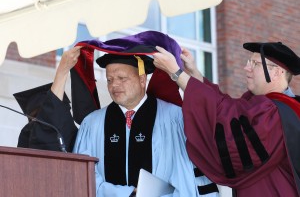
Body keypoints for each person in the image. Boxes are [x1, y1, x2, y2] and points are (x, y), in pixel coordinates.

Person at [152, 42, 300, 197]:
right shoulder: (262, 105)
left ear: (277, 72)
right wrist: (193, 72)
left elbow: (227, 122)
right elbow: (226, 106)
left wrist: (176, 73)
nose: (247, 68)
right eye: (248, 62)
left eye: (255, 63)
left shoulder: (276, 113)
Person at [72, 52, 218, 197]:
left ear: (142, 80)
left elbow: (188, 175)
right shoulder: (92, 124)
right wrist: (124, 194)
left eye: (122, 78)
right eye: (109, 79)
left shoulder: (175, 118)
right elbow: (82, 175)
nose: (114, 85)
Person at [13, 46, 82, 151]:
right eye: (33, 117)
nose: (38, 121)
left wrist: (63, 70)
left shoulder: (70, 130)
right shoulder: (29, 131)